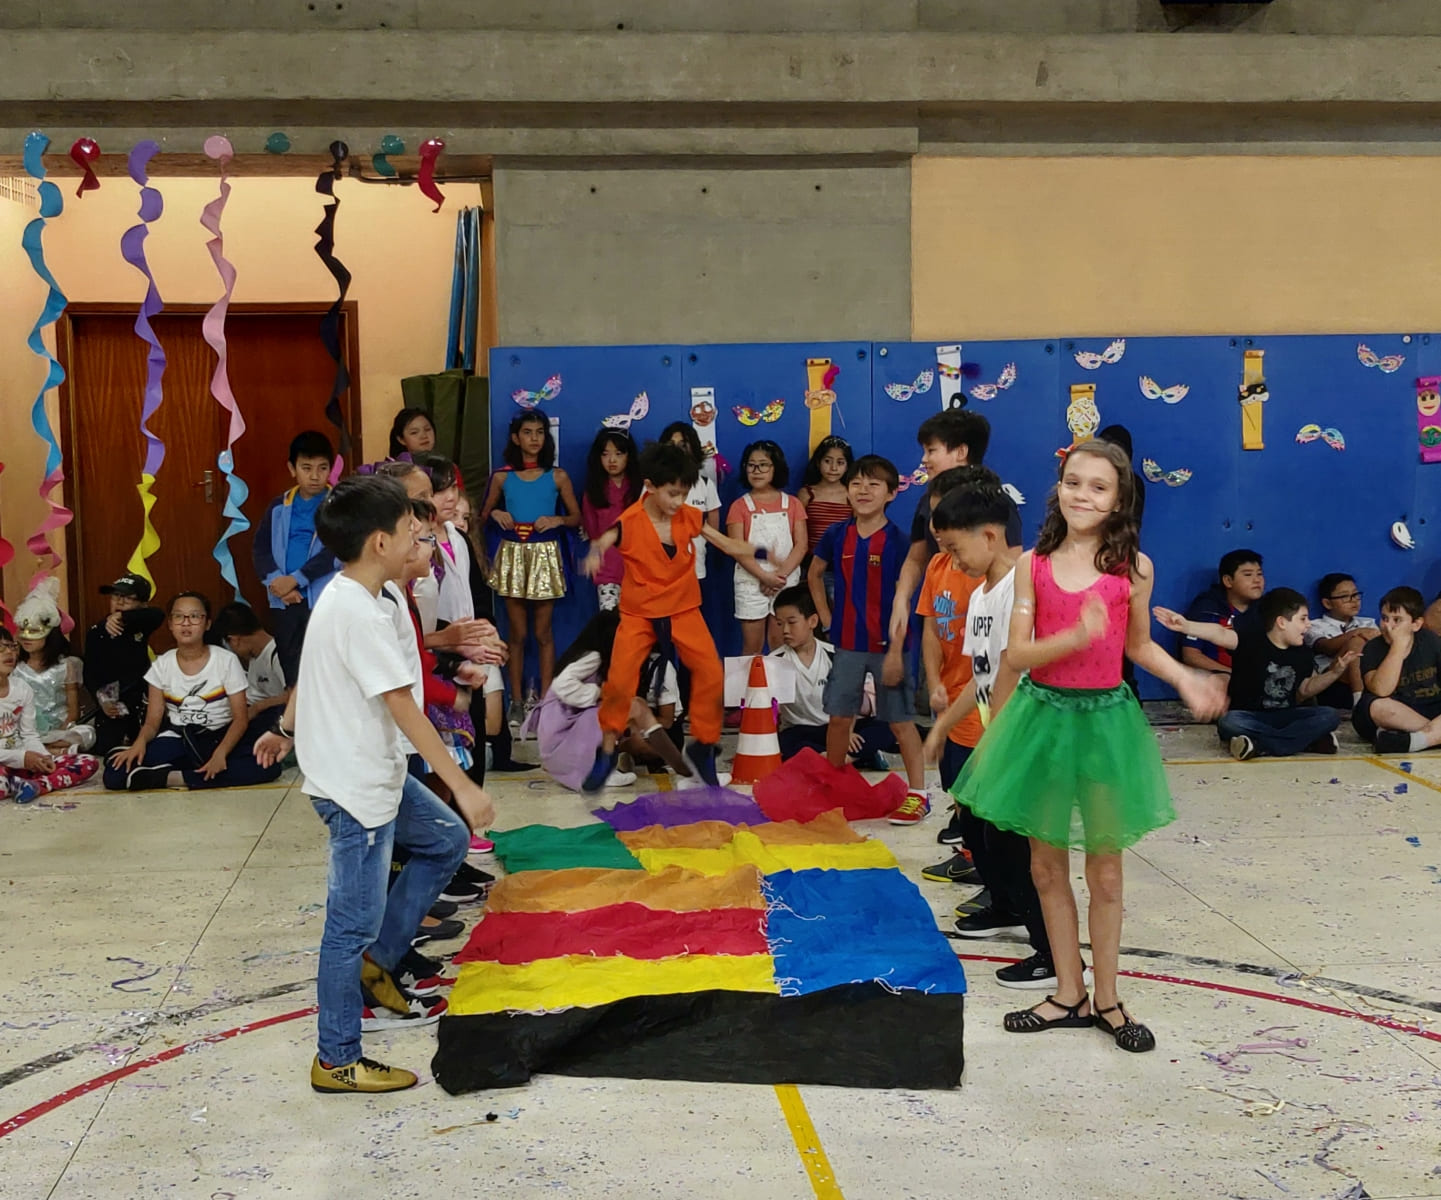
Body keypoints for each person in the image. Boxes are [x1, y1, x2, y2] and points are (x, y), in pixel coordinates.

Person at [950, 439, 1227, 1052]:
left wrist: (1185, 678)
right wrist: (1073, 635)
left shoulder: (1135, 567)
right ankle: (1067, 991)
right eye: (1074, 482)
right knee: (1046, 867)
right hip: (1042, 720)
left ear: (1118, 498)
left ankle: (1108, 998)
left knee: (1105, 871)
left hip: (1105, 724)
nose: (1083, 494)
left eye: (1098, 486)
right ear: (1059, 488)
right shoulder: (1035, 564)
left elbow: (1137, 646)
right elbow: (1017, 653)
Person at [253, 474, 494, 1095]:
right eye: (412, 529)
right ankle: (336, 1057)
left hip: (378, 773)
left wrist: (284, 727)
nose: (424, 533)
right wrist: (461, 786)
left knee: (443, 840)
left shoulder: (378, 596)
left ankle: (379, 963)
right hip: (354, 789)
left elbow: (324, 675)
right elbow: (402, 705)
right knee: (348, 923)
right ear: (380, 542)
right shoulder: (353, 608)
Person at [923, 476, 1059, 989]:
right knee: (983, 836)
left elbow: (1014, 673)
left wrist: (1001, 742)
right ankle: (1007, 908)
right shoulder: (981, 597)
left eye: (955, 549)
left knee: (1016, 850)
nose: (952, 562)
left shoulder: (1019, 593)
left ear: (989, 535)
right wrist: (943, 724)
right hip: (994, 740)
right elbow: (982, 675)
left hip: (1022, 742)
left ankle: (1051, 953)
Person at [579, 441, 762, 792]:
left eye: (684, 493)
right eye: (673, 493)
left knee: (710, 671)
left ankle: (703, 747)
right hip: (639, 613)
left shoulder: (688, 517)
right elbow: (606, 538)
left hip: (682, 608)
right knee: (619, 682)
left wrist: (761, 551)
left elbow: (724, 543)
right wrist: (595, 553)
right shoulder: (630, 520)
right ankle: (605, 753)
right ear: (650, 485)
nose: (679, 502)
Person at [806, 454, 930, 824]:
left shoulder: (898, 541)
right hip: (846, 645)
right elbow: (814, 575)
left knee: (900, 721)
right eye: (856, 483)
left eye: (874, 484)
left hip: (889, 648)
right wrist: (827, 618)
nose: (863, 490)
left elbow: (904, 599)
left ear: (892, 494)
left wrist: (895, 649)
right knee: (839, 718)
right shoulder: (835, 535)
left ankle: (919, 795)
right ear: (846, 490)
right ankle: (833, 786)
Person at [102, 592, 282, 792]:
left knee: (267, 767)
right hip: (180, 738)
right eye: (179, 616)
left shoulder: (226, 661)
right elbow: (152, 723)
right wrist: (138, 744)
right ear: (170, 624)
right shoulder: (161, 665)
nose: (186, 623)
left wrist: (221, 754)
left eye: (195, 616)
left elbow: (240, 719)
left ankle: (171, 777)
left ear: (207, 624)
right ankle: (195, 771)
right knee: (115, 774)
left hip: (221, 736)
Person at [1157, 588, 1350, 760]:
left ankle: (1259, 745)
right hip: (1250, 716)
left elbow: (1305, 689)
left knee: (1329, 715)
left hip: (1285, 716)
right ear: (1282, 622)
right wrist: (1187, 626)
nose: (1308, 625)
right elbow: (1220, 633)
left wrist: (1334, 673)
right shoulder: (1251, 640)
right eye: (1303, 619)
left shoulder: (1303, 653)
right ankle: (1304, 742)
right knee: (1229, 722)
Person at [888, 410, 1022, 645]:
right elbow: (916, 558)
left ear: (961, 452)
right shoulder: (926, 502)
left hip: (984, 626)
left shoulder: (994, 502)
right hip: (942, 621)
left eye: (931, 450)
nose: (923, 459)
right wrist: (902, 599)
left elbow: (1011, 568)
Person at [523, 609, 694, 791]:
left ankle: (684, 771)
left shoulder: (604, 659)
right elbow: (561, 686)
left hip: (564, 746)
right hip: (561, 741)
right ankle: (688, 773)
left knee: (636, 708)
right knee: (627, 708)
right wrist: (600, 693)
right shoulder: (593, 656)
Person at [479, 412, 581, 718]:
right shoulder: (501, 477)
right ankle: (517, 700)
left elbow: (576, 517)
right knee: (517, 634)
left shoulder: (558, 476)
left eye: (539, 432)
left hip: (545, 554)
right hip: (512, 554)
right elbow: (482, 516)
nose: (534, 438)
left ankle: (548, 700)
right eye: (527, 432)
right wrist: (496, 514)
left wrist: (556, 519)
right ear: (515, 438)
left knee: (543, 632)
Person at [916, 469, 989, 876]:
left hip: (978, 700)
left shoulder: (986, 576)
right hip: (949, 695)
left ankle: (987, 865)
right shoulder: (938, 567)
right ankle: (971, 855)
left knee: (980, 788)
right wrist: (934, 681)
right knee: (957, 786)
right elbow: (930, 627)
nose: (937, 528)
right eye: (932, 517)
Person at [769, 585, 891, 769]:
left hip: (838, 727)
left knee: (887, 725)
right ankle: (850, 757)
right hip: (801, 730)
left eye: (792, 622)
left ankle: (837, 758)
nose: (785, 630)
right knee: (788, 743)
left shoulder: (835, 655)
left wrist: (847, 731)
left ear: (812, 621)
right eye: (780, 624)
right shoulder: (774, 661)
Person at [252, 430, 339, 686]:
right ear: (292, 469)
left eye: (322, 468)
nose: (315, 476)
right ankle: (296, 722)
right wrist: (278, 582)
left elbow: (335, 552)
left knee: (324, 669)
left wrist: (297, 579)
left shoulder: (338, 504)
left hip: (322, 598)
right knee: (293, 667)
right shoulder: (279, 506)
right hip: (284, 599)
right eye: (306, 467)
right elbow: (260, 549)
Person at [0, 626, 100, 803]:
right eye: (1, 648)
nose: (9, 652)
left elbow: (29, 734)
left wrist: (42, 757)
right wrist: (22, 757)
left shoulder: (22, 688)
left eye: (12, 646)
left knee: (88, 762)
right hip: (7, 762)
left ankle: (37, 785)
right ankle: (13, 784)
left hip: (22, 761)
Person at [728, 440, 808, 656]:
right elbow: (737, 549)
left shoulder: (793, 504)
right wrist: (764, 576)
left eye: (764, 465)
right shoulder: (739, 506)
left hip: (785, 581)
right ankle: (747, 690)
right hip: (751, 581)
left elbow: (801, 546)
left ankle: (781, 691)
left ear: (776, 468)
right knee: (752, 646)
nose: (757, 471)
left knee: (780, 645)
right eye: (751, 465)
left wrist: (778, 577)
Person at [83, 573, 164, 756]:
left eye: (126, 597)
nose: (119, 601)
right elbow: (90, 673)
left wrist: (123, 618)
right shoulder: (97, 632)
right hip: (112, 703)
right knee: (107, 751)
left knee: (152, 749)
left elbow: (157, 615)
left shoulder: (141, 624)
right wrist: (101, 700)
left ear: (142, 604)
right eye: (115, 596)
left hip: (142, 700)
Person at [1353, 586, 1441, 754]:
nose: (1388, 626)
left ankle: (1414, 741)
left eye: (1397, 620)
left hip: (1431, 707)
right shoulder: (1373, 647)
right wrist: (1397, 647)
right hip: (1395, 712)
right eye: (1384, 618)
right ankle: (1433, 737)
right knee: (1378, 706)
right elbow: (1381, 689)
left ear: (1416, 624)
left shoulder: (1431, 641)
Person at [14, 577, 93, 752]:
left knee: (86, 733)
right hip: (24, 730)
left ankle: (48, 748)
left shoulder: (65, 666)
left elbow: (73, 710)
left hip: (58, 729)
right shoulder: (15, 666)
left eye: (34, 632)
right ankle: (52, 751)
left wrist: (62, 730)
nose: (26, 637)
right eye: (23, 631)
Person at [581, 428, 642, 612]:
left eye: (618, 453)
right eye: (605, 454)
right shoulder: (593, 493)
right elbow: (593, 533)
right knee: (611, 625)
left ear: (629, 455)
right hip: (608, 570)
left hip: (639, 569)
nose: (612, 460)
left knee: (641, 628)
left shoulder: (642, 490)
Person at [1178, 548, 1265, 675]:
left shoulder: (1268, 610)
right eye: (1248, 575)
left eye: (1259, 574)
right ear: (1228, 581)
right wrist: (1233, 676)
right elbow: (1191, 656)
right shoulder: (1206, 609)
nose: (1257, 580)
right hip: (1214, 683)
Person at [1304, 573, 1379, 710]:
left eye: (1356, 595)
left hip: (1368, 674)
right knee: (1356, 642)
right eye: (1345, 597)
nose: (1354, 600)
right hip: (1333, 681)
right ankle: (1359, 703)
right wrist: (1357, 633)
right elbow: (1326, 647)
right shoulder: (1314, 625)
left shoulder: (1368, 622)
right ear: (1327, 603)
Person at [660, 423, 721, 581]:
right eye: (671, 446)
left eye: (683, 446)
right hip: (659, 570)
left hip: (695, 568)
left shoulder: (706, 484)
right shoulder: (653, 485)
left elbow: (714, 533)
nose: (676, 451)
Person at [213, 602, 290, 724]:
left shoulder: (280, 655)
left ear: (235, 640)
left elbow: (295, 695)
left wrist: (259, 707)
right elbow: (252, 696)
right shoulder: (254, 659)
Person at [797, 435, 854, 581]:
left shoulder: (852, 494)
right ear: (818, 462)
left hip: (841, 566)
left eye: (840, 462)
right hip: (810, 564)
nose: (833, 468)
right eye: (827, 461)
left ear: (847, 466)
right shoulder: (807, 494)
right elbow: (796, 534)